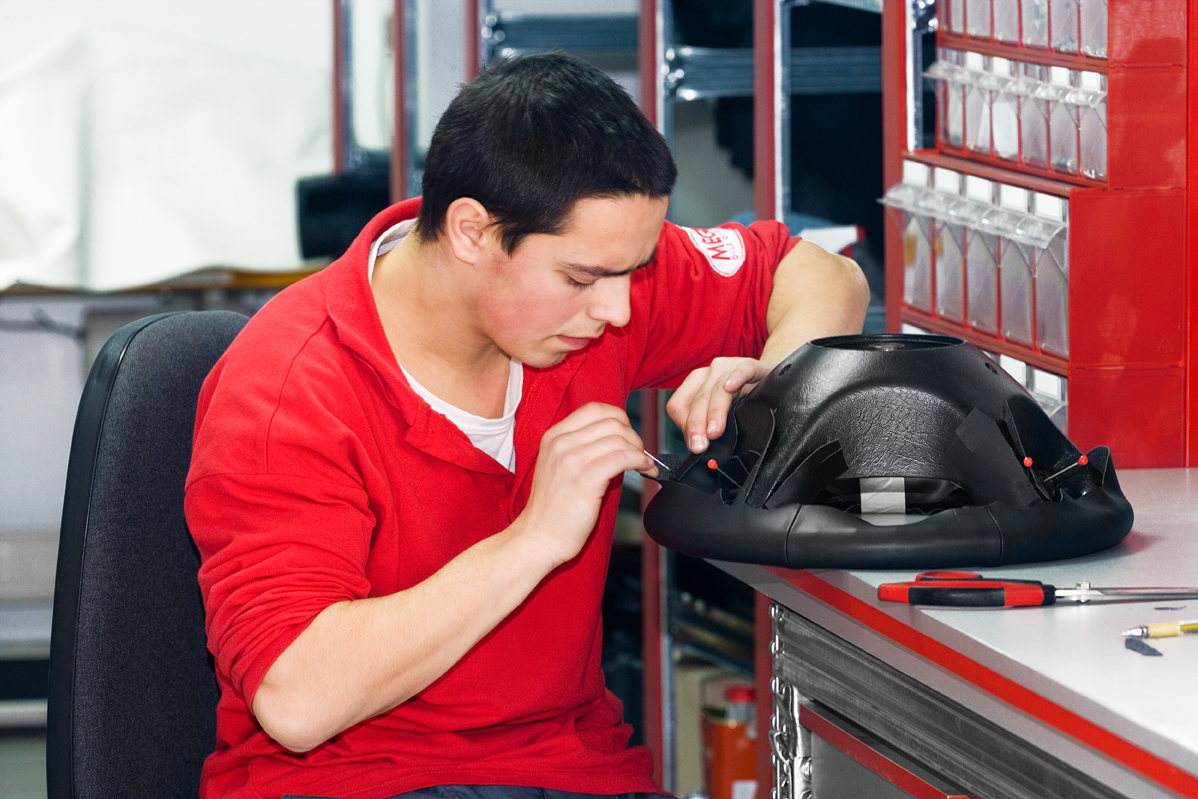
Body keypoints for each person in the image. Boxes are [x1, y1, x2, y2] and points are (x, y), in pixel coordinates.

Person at [185, 52, 868, 799]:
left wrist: (780, 377)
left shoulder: (593, 281)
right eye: (581, 279)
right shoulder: (287, 389)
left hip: (570, 769)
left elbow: (823, 272)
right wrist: (533, 539)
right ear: (472, 231)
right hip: (352, 779)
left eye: (633, 271)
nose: (618, 310)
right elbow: (295, 701)